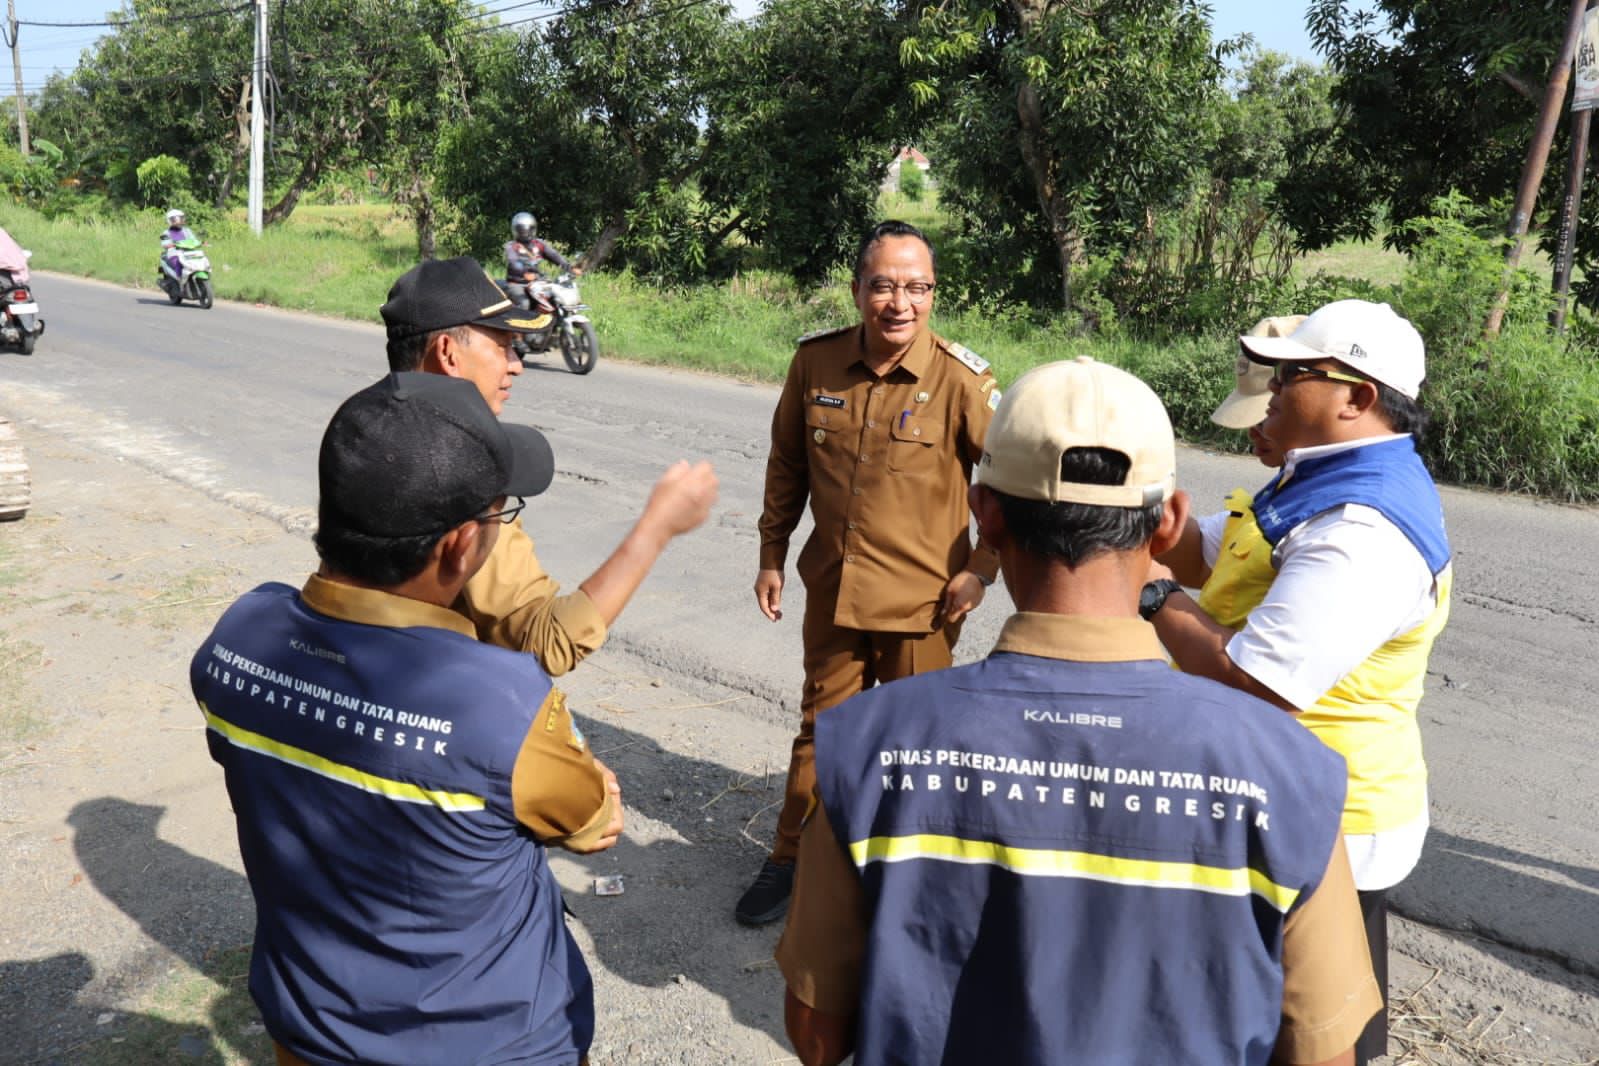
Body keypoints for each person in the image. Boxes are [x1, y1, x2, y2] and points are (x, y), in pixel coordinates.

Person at [776, 356, 1380, 1066]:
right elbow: (1321, 1050)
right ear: (1168, 524)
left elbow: (818, 1033)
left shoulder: (867, 744)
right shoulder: (1290, 773)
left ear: (986, 516)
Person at [191, 372, 623, 1065]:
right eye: (499, 514)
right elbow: (594, 823)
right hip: (489, 1043)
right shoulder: (499, 700)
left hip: (308, 1029)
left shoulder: (239, 637)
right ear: (459, 545)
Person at [1144, 300, 1453, 1065]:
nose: (1272, 388)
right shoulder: (1312, 481)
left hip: (1327, 820)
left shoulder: (1362, 528)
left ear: (1357, 396)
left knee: (1307, 1026)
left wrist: (1150, 596)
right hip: (1283, 797)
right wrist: (1132, 506)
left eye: (1294, 374)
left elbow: (1256, 682)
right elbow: (1213, 555)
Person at [741, 219, 1003, 926]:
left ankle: (912, 877)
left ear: (933, 293)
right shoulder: (816, 364)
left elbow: (1009, 481)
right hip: (833, 589)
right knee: (821, 731)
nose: (900, 303)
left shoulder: (961, 380)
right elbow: (787, 465)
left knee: (921, 744)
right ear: (857, 289)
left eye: (916, 288)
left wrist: (982, 569)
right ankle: (789, 858)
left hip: (925, 606)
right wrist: (771, 553)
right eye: (883, 285)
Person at [381, 256, 718, 677]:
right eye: (502, 346)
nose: (516, 366)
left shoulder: (362, 435)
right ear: (448, 353)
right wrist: (656, 528)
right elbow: (547, 642)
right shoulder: (458, 470)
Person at [504, 211, 580, 313]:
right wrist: (523, 273)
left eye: (528, 229)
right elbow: (514, 262)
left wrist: (569, 267)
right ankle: (516, 328)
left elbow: (554, 256)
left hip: (536, 282)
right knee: (524, 304)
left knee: (554, 299)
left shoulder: (539, 244)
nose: (525, 232)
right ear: (516, 230)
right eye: (522, 230)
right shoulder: (512, 246)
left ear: (533, 229)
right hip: (517, 283)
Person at [160, 208, 196, 277]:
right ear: (170, 220)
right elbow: (164, 243)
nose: (178, 221)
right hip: (174, 254)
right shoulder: (166, 233)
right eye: (175, 219)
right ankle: (180, 279)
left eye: (180, 218)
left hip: (188, 252)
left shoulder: (187, 230)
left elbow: (193, 239)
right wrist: (172, 244)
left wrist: (200, 242)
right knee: (178, 263)